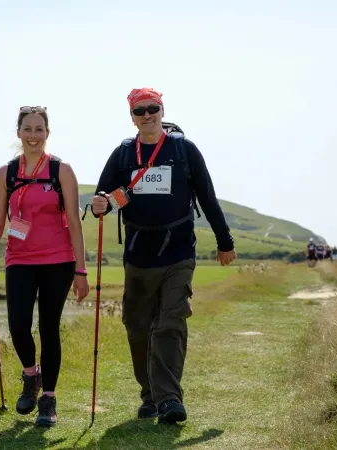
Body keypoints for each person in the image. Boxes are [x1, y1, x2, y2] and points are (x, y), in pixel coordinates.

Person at [89, 87, 236, 425]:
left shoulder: (184, 150)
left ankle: (169, 399)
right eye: (140, 111)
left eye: (152, 108)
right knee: (138, 328)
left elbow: (208, 198)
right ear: (132, 117)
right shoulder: (124, 154)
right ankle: (149, 395)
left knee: (171, 322)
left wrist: (224, 241)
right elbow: (103, 196)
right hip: (138, 253)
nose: (147, 115)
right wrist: (99, 203)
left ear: (162, 109)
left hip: (178, 251)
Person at [0, 105, 90, 427]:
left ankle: (49, 400)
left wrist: (81, 270)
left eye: (39, 129)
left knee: (48, 328)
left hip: (59, 259)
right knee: (17, 326)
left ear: (47, 133)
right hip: (19, 259)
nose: (33, 135)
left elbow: (74, 223)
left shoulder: (61, 171)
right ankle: (31, 376)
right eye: (27, 129)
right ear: (18, 133)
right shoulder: (6, 174)